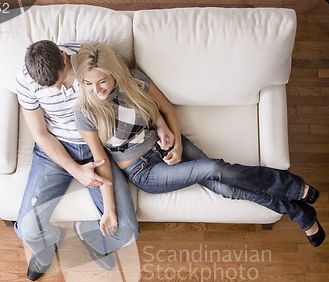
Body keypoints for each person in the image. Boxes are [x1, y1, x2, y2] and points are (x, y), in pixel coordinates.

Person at [73, 42, 325, 248]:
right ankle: (293, 186)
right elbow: (102, 161)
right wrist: (109, 209)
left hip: (169, 144)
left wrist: (175, 142)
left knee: (228, 189)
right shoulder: (85, 112)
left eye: (102, 81)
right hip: (145, 171)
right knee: (214, 169)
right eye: (88, 83)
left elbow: (166, 109)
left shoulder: (135, 81)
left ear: (114, 73)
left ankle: (302, 214)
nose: (96, 90)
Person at [15, 40, 139, 281]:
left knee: (127, 232)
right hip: (56, 148)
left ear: (63, 57)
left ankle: (95, 240)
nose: (57, 90)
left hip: (97, 146)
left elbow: (128, 89)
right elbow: (40, 134)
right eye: (49, 87)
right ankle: (49, 243)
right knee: (28, 228)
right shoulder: (25, 78)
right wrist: (75, 170)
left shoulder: (90, 60)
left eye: (61, 82)